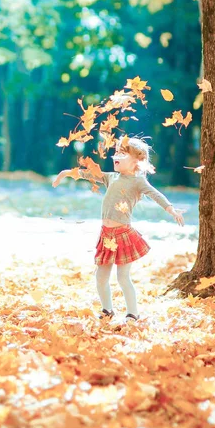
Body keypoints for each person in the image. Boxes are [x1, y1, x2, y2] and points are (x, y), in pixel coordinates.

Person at [52, 136, 184, 324]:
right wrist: (65, 173)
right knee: (101, 276)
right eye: (116, 152)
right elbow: (87, 174)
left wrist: (171, 209)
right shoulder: (110, 176)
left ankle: (133, 313)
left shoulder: (138, 181)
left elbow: (155, 194)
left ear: (136, 161)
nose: (116, 156)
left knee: (123, 277)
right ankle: (107, 310)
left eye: (122, 153)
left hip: (123, 235)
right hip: (107, 236)